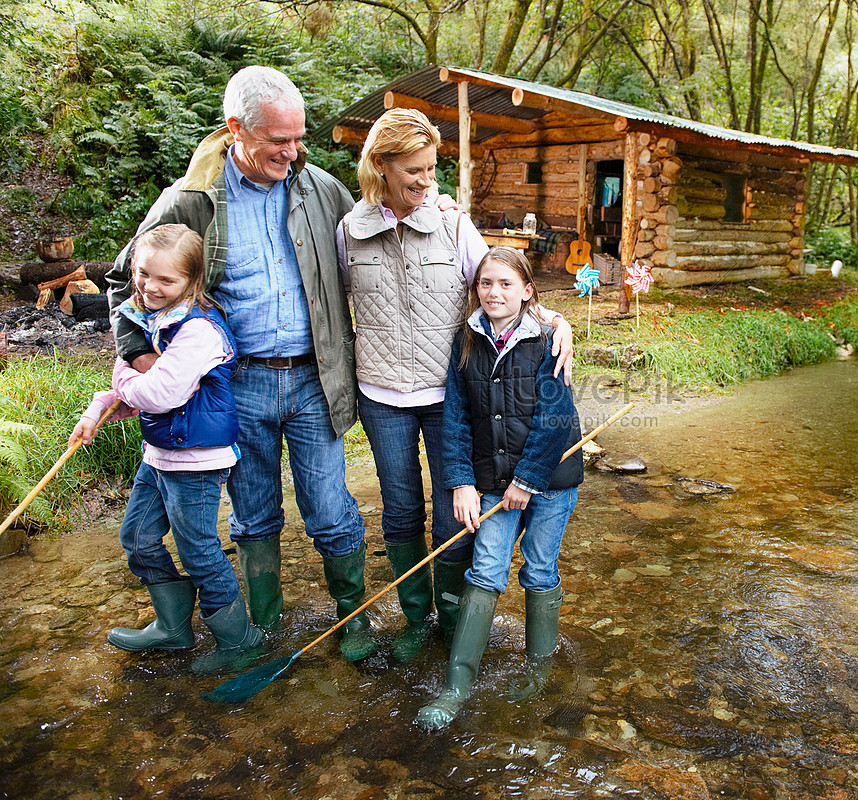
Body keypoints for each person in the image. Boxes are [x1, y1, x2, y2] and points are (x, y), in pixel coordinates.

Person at [106, 66, 373, 661]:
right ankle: (260, 628)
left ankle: (354, 619)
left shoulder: (322, 190)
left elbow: (383, 247)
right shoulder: (189, 201)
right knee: (253, 517)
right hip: (235, 385)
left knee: (330, 510)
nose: (294, 151)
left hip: (314, 378)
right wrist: (148, 360)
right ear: (236, 130)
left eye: (299, 137)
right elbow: (126, 284)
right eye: (279, 140)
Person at [338, 108, 573, 662]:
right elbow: (332, 303)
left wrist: (555, 323)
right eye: (415, 170)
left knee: (453, 514)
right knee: (398, 508)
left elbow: (499, 286)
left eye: (432, 168)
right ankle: (416, 619)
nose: (427, 181)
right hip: (380, 394)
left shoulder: (452, 222)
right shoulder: (349, 229)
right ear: (381, 164)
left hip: (450, 397)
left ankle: (451, 619)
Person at [73, 224, 263, 675]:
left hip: (197, 460)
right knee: (136, 538)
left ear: (192, 282)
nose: (150, 286)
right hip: (159, 455)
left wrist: (125, 372)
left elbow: (159, 395)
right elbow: (136, 389)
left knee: (198, 550)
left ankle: (241, 640)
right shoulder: (152, 319)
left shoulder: (198, 330)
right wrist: (97, 408)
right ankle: (173, 626)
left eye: (166, 280)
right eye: (143, 274)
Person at [414, 246, 583, 731]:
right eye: (486, 283)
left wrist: (528, 481)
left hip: (550, 483)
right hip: (491, 481)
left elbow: (556, 419)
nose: (494, 292)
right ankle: (457, 684)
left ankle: (538, 668)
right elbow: (456, 416)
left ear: (529, 291)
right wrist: (462, 481)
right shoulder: (466, 340)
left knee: (540, 567)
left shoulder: (548, 338)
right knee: (486, 569)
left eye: (506, 284)